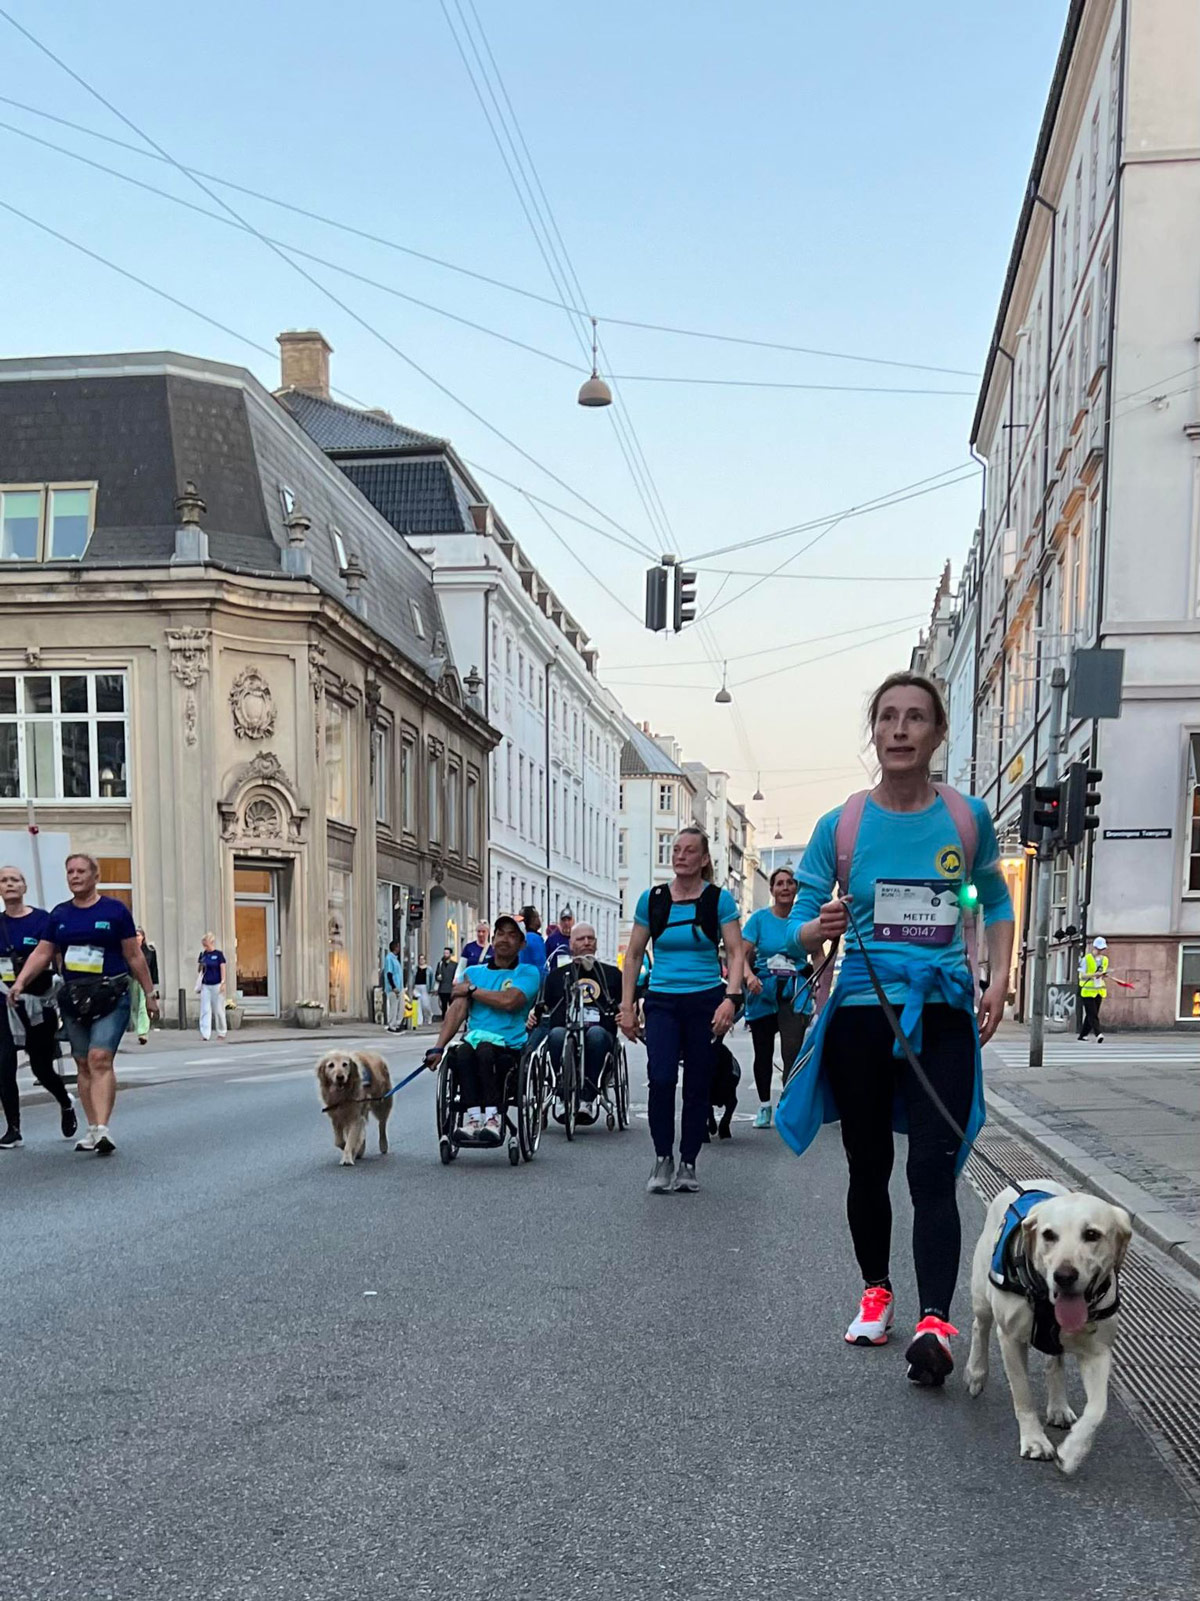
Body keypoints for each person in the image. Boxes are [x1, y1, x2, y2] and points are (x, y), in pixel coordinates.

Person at [777, 671, 1014, 1388]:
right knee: (868, 1161)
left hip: (940, 1009)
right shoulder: (841, 826)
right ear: (874, 733)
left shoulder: (967, 818)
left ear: (938, 733)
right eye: (888, 718)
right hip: (858, 1011)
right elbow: (798, 929)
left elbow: (996, 900)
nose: (901, 729)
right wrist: (815, 927)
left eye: (916, 717)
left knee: (933, 1166)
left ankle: (937, 1320)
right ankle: (877, 1290)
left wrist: (999, 978)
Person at [618, 827, 744, 1195]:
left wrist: (730, 999)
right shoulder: (652, 899)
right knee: (660, 1078)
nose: (680, 856)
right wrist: (627, 1007)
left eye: (690, 851)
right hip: (662, 1000)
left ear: (704, 859)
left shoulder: (718, 900)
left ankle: (688, 1161)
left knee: (698, 1083)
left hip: (705, 999)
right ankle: (663, 1157)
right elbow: (635, 955)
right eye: (675, 850)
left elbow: (736, 952)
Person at [9, 852, 158, 1156]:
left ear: (95, 876)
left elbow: (133, 955)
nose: (75, 876)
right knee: (82, 1062)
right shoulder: (60, 915)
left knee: (100, 1057)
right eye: (70, 872)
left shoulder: (115, 911)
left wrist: (150, 993)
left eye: (80, 871)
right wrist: (21, 982)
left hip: (111, 993)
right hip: (74, 998)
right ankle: (92, 1128)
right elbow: (42, 952)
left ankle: (103, 1129)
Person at [426, 914, 540, 1141]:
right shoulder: (474, 973)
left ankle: (493, 1117)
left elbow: (510, 1001)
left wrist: (471, 991)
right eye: (500, 934)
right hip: (475, 1040)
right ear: (493, 938)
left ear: (521, 943)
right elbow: (458, 1009)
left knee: (486, 1051)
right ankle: (473, 1117)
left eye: (512, 935)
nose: (504, 939)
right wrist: (438, 1048)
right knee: (463, 1053)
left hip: (509, 1045)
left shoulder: (528, 972)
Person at [0, 865, 77, 1150]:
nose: (9, 884)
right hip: (4, 1002)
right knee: (4, 1064)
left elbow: (56, 956)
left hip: (38, 1001)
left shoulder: (42, 920)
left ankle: (64, 1101)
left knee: (41, 1067)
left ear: (24, 887)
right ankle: (13, 1128)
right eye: (4, 880)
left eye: (15, 880)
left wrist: (64, 984)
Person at [742, 867, 813, 1129]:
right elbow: (742, 953)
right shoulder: (759, 919)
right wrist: (749, 978)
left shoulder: (804, 920)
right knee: (763, 1052)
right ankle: (763, 1106)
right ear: (771, 890)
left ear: (796, 889)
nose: (785, 887)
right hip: (763, 989)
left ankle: (787, 1104)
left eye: (790, 883)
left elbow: (817, 955)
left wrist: (818, 986)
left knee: (792, 1053)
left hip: (794, 991)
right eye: (779, 883)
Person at [533, 922, 621, 1121]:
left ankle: (587, 1098)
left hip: (600, 1032)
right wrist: (534, 1013)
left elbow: (625, 1006)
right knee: (555, 1035)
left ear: (596, 943)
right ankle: (562, 1094)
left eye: (591, 938)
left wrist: (626, 1013)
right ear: (571, 945)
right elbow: (544, 1007)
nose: (587, 943)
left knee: (596, 1035)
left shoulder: (612, 975)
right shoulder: (556, 977)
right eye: (581, 939)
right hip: (565, 1030)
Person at [197, 933, 228, 1042]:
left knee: (219, 1009)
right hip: (206, 984)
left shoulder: (219, 955)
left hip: (217, 984)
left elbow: (222, 968)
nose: (205, 947)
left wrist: (223, 982)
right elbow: (200, 970)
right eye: (204, 945)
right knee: (205, 1009)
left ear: (212, 942)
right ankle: (205, 1033)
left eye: (207, 945)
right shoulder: (203, 955)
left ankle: (222, 1031)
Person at [130, 927, 159, 1043]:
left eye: (139, 935)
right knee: (134, 1006)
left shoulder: (149, 950)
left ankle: (142, 1032)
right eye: (135, 935)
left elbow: (154, 968)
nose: (137, 937)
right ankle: (139, 1028)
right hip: (132, 980)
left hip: (145, 980)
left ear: (143, 937)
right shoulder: (129, 950)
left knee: (143, 1005)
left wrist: (154, 984)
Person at [1078, 936, 1109, 1043]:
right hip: (1087, 991)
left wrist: (1103, 975)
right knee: (1092, 1014)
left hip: (1099, 990)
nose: (1100, 951)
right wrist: (1094, 975)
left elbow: (1102, 973)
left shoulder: (1105, 960)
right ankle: (1098, 1033)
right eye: (1099, 949)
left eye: (1102, 949)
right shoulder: (1086, 959)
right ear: (1094, 947)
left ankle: (1083, 1035)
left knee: (1091, 1014)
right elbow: (1082, 976)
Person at [383, 940, 405, 1031]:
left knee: (400, 1007)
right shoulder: (389, 958)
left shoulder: (395, 959)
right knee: (394, 1007)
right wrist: (393, 986)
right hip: (393, 988)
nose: (399, 949)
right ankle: (392, 1024)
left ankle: (397, 1023)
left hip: (399, 987)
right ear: (395, 948)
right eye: (398, 947)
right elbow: (389, 973)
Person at [519, 905, 547, 972]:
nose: (539, 919)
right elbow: (540, 964)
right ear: (533, 919)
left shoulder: (521, 937)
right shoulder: (535, 939)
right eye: (537, 916)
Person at [434, 946, 456, 1018]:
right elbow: (436, 975)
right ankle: (444, 1019)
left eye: (447, 953)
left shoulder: (454, 964)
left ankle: (452, 1018)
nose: (445, 954)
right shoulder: (440, 964)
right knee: (443, 1006)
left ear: (450, 954)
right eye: (444, 953)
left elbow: (456, 976)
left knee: (452, 1005)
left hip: (451, 988)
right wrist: (438, 977)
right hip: (442, 988)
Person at [413, 954, 433, 1025]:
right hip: (416, 986)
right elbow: (412, 978)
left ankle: (429, 1016)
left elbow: (431, 979)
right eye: (420, 959)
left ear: (425, 960)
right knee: (418, 1004)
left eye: (423, 959)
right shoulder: (415, 968)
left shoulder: (429, 969)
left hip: (425, 987)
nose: (421, 960)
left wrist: (431, 988)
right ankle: (420, 1020)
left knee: (426, 1004)